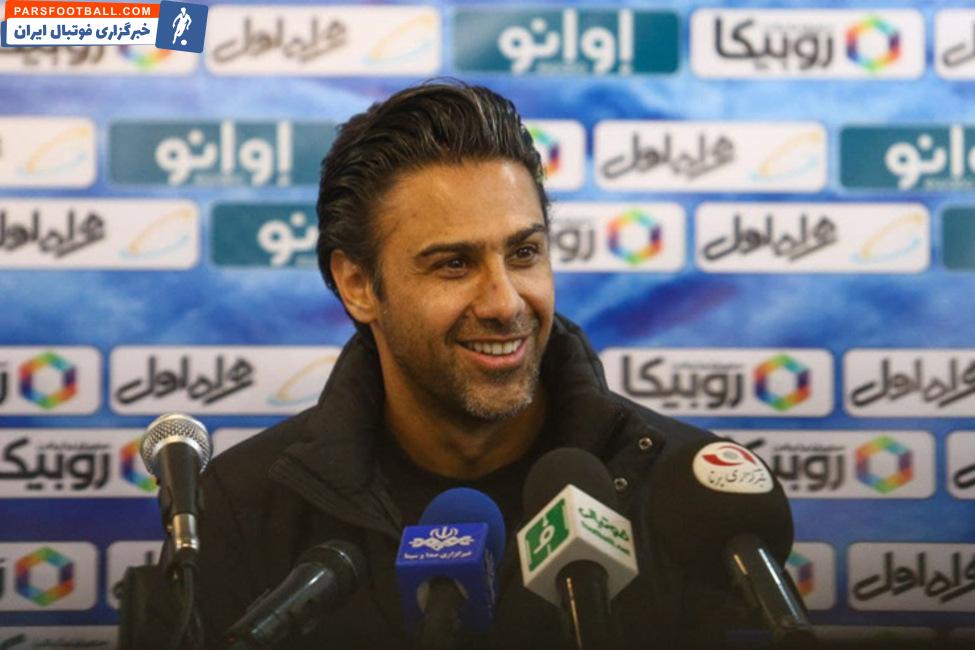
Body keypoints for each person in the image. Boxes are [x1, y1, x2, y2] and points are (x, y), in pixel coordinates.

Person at [197, 81, 757, 649]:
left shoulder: (693, 502)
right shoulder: (242, 506)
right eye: (454, 264)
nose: (505, 303)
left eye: (524, 253)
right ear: (358, 284)